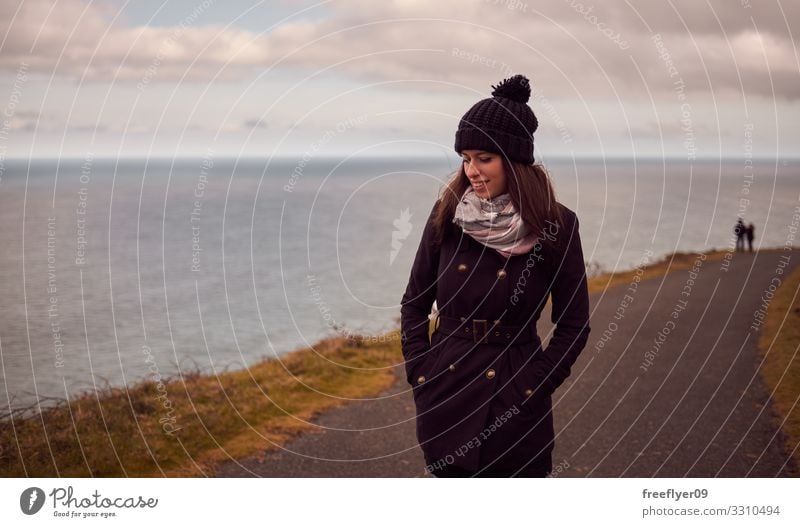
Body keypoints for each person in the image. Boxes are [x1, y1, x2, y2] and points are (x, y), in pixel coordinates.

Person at [400, 74, 591, 478]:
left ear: (514, 160)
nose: (472, 170)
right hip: (446, 388)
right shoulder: (447, 216)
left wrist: (536, 384)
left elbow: (574, 322)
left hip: (517, 387)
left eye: (484, 158)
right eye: (466, 158)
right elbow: (414, 303)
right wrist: (421, 372)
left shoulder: (556, 225)